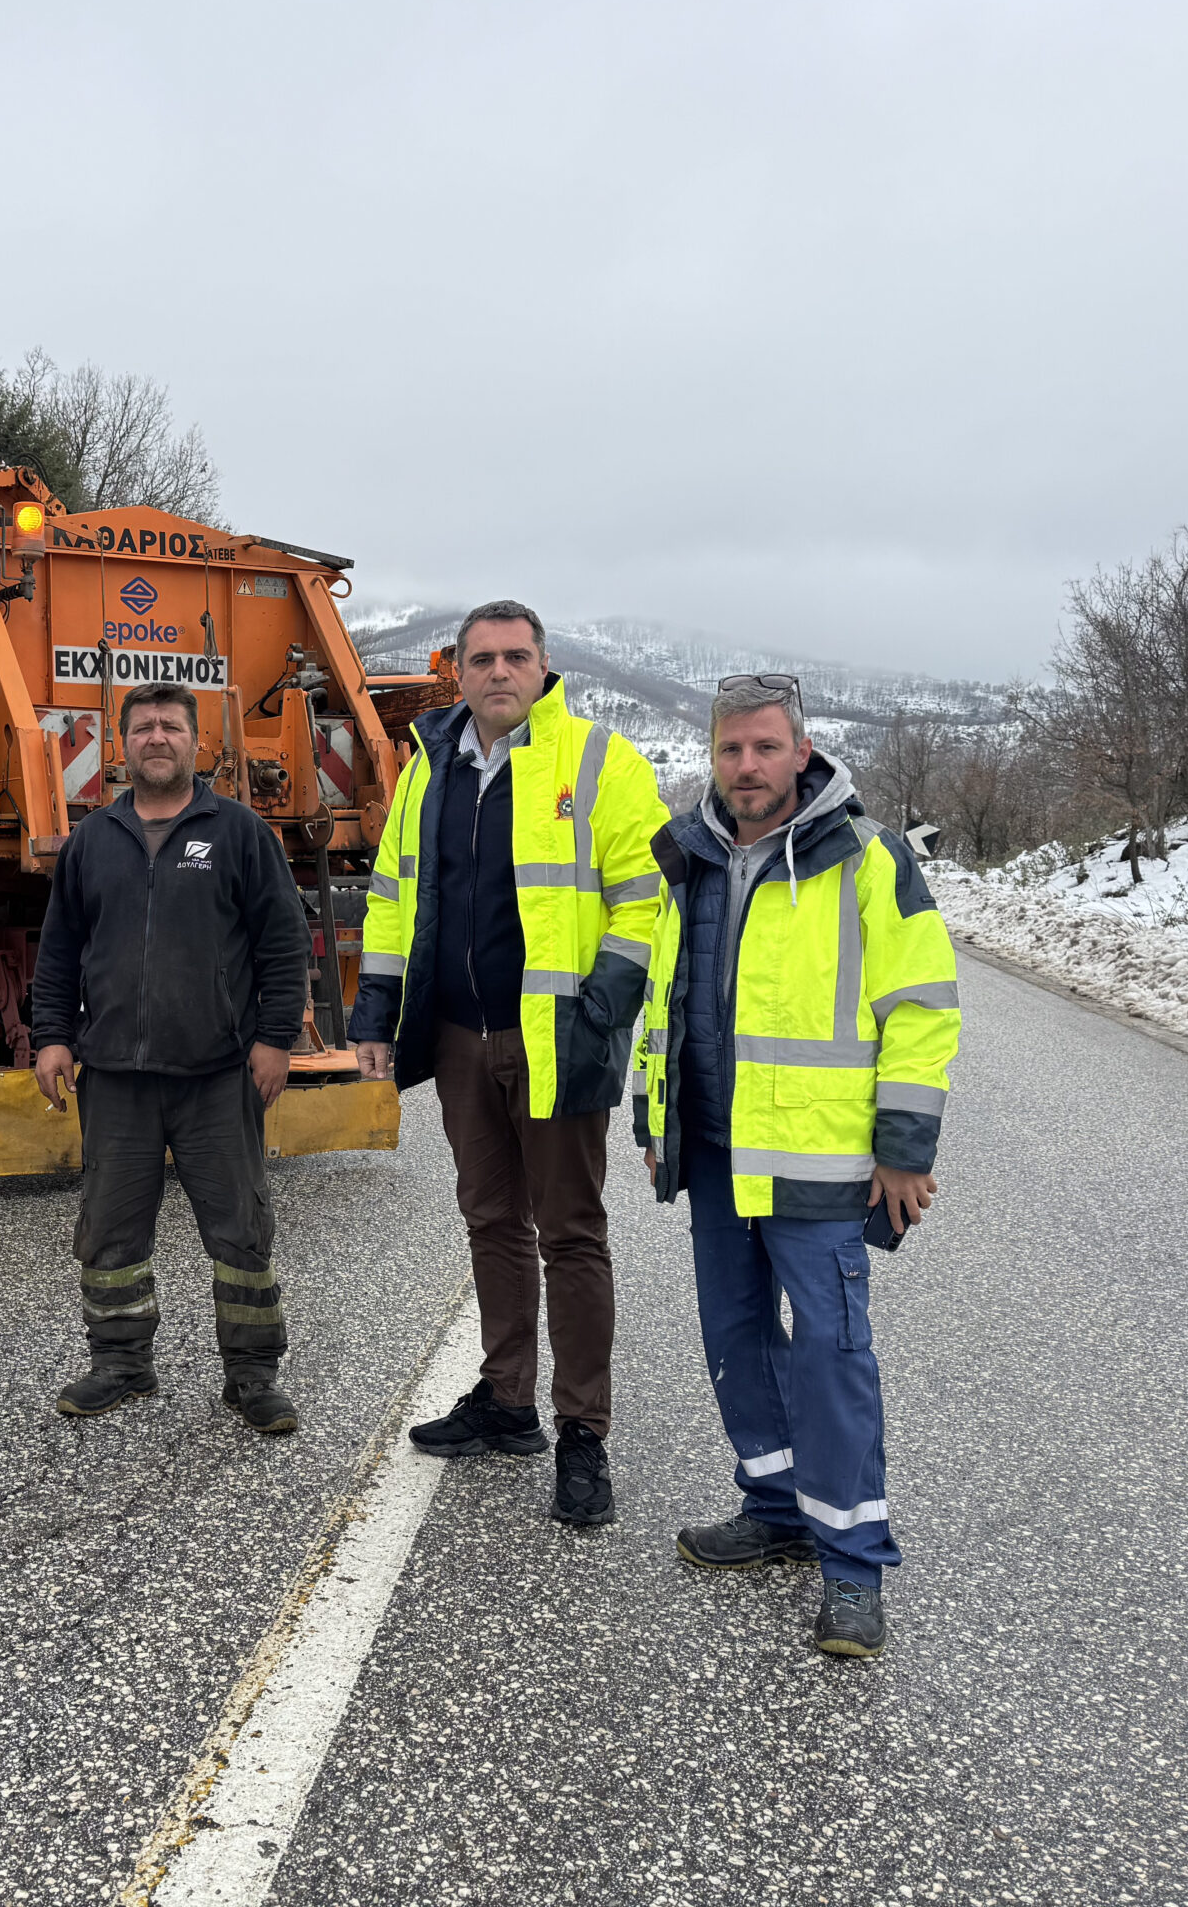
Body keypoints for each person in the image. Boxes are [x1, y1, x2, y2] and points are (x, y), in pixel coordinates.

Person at [634, 674, 961, 1658]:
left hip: (820, 1159)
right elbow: (667, 998)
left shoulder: (862, 856)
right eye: (730, 750)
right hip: (715, 1152)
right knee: (734, 1335)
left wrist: (902, 1151)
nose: (746, 767)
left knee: (829, 1353)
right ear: (713, 754)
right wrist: (657, 1115)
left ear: (801, 751)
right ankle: (774, 1505)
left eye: (765, 748)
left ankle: (852, 1563)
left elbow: (922, 1005)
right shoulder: (686, 854)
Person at [347, 601, 670, 1526]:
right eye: (481, 658)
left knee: (570, 1229)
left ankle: (583, 1433)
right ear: (457, 668)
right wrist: (377, 1010)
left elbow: (644, 897)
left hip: (554, 1038)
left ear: (544, 666)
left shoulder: (598, 762)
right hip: (455, 1035)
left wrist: (601, 1005)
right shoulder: (428, 768)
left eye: (515, 657)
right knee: (490, 1219)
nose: (499, 672)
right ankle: (506, 1401)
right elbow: (392, 899)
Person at [30, 681, 312, 1432]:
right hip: (117, 1076)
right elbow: (58, 949)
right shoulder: (93, 839)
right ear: (123, 745)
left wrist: (275, 1039)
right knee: (111, 1232)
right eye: (145, 727)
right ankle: (120, 1363)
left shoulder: (240, 831)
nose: (158, 738)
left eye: (173, 727)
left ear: (196, 743)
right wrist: (51, 1035)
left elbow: (284, 945)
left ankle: (253, 1376)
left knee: (240, 1231)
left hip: (218, 1074)